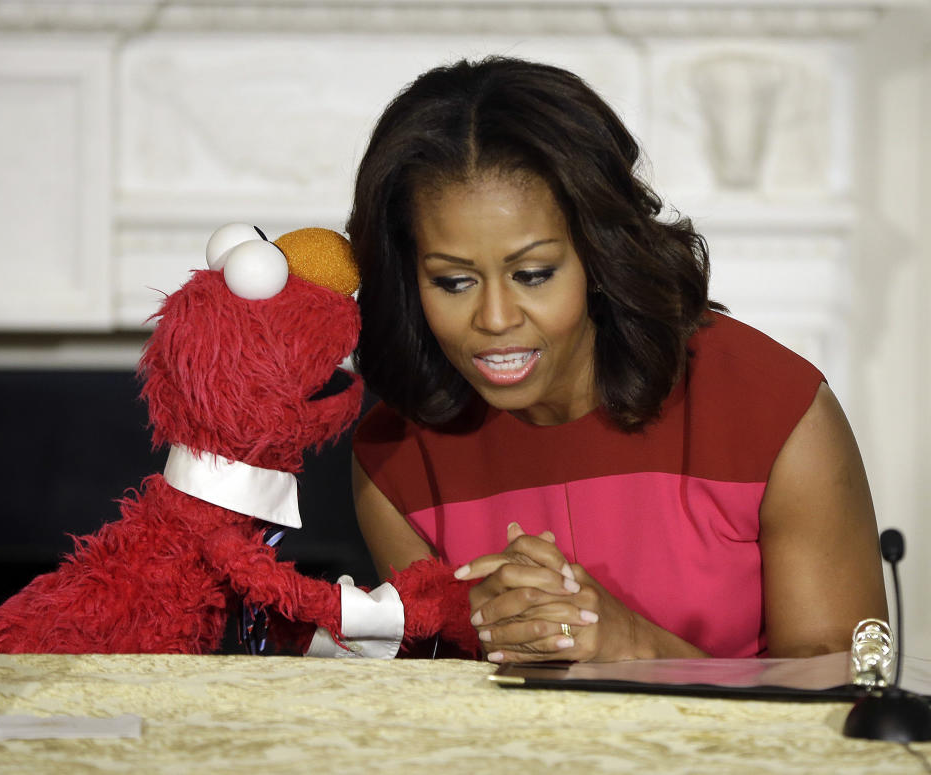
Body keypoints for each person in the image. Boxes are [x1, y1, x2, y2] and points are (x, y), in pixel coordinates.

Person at [346, 56, 887, 664]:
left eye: (533, 273)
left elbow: (845, 702)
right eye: (452, 282)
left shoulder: (779, 414)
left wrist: (635, 647)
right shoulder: (395, 463)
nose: (495, 319)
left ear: (599, 258)